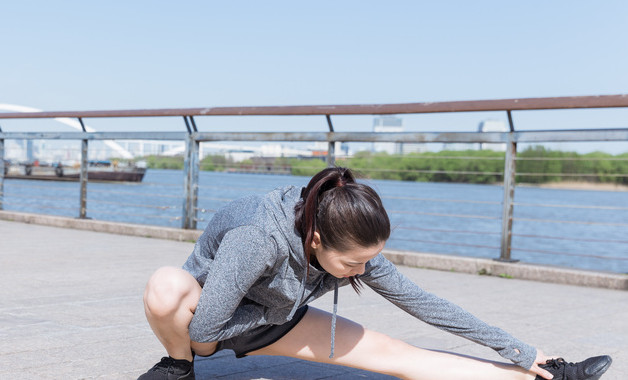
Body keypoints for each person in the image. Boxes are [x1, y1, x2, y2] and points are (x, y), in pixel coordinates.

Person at [138, 167, 612, 380]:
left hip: (278, 319)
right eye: (353, 265)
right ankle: (177, 367)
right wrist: (242, 328)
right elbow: (206, 328)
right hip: (206, 317)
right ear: (317, 240)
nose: (362, 272)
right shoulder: (257, 237)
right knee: (166, 288)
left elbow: (428, 305)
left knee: (405, 358)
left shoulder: (345, 239)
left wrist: (523, 351)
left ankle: (548, 376)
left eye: (370, 260)